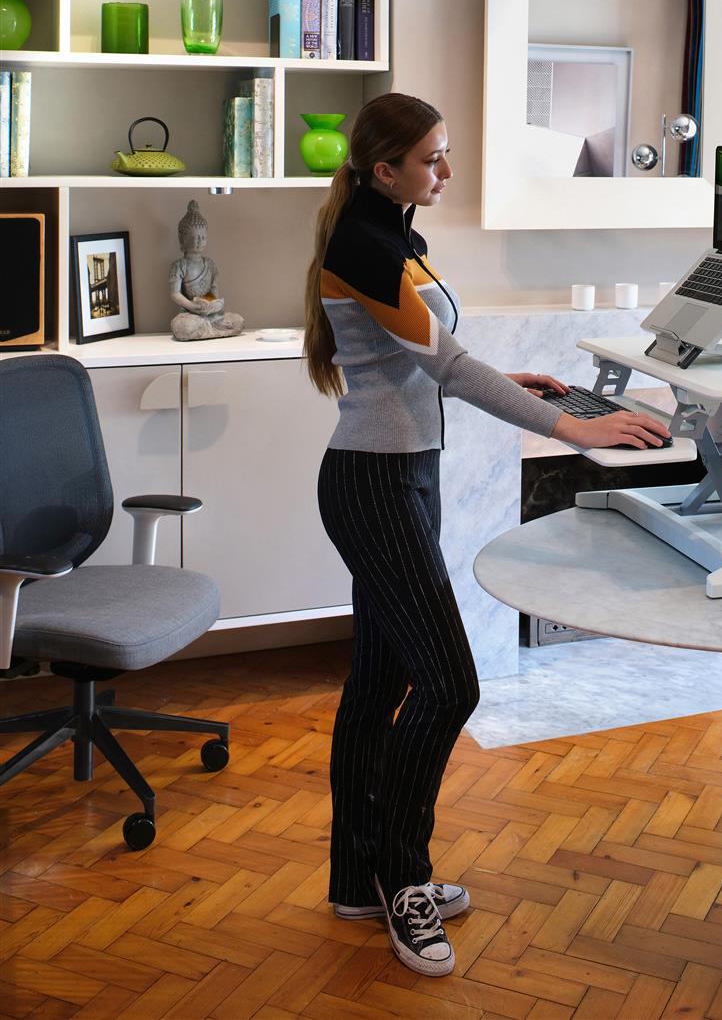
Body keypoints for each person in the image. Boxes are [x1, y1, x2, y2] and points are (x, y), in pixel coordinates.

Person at [303, 93, 669, 978]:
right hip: (375, 483)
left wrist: (519, 380)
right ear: (385, 167)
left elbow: (421, 360)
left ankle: (357, 875)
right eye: (433, 159)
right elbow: (449, 367)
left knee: (380, 679)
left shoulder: (392, 227)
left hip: (404, 473)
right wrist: (571, 429)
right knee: (451, 683)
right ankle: (405, 879)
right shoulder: (364, 242)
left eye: (447, 152)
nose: (447, 171)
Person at [168, 200, 244, 341]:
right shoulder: (179, 265)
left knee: (238, 321)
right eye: (195, 237)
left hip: (210, 314)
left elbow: (213, 292)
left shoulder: (210, 264)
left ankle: (207, 327)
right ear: (182, 239)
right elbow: (174, 293)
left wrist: (211, 305)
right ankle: (207, 328)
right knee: (182, 327)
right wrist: (192, 306)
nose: (199, 241)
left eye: (203, 237)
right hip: (190, 314)